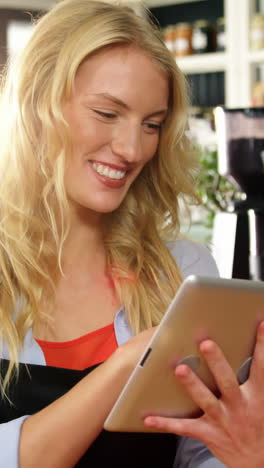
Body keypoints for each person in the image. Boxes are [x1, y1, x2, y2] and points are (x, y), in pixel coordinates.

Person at [0, 0, 263, 467]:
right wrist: (126, 366)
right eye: (106, 113)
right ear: (36, 104)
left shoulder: (183, 271)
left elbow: (201, 454)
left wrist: (247, 451)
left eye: (152, 125)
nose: (130, 149)